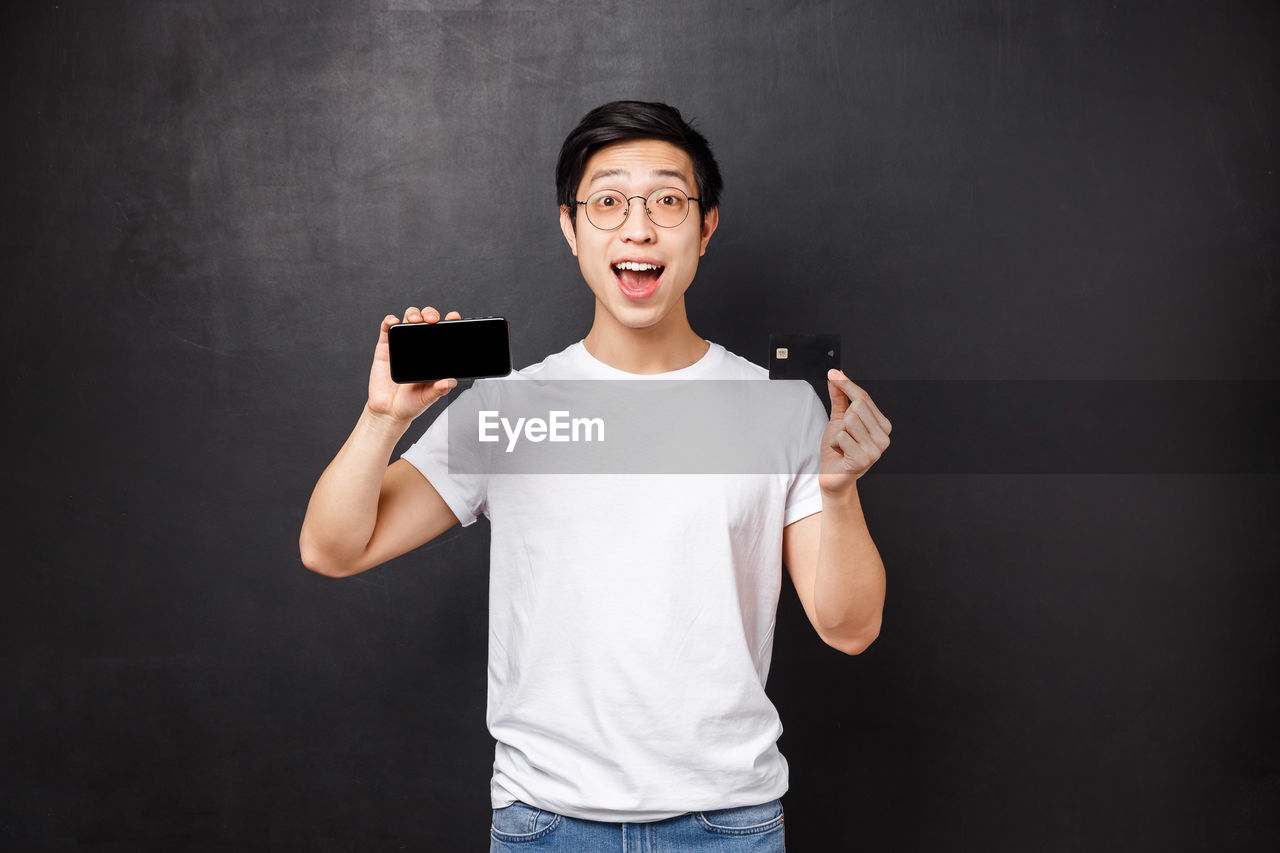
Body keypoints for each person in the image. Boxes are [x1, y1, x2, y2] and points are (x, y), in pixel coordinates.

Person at [299, 100, 890, 851]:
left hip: (727, 824)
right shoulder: (508, 409)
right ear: (570, 228)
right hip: (544, 823)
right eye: (608, 201)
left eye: (668, 201)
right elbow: (333, 547)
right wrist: (384, 417)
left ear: (706, 227)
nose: (637, 227)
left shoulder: (778, 411)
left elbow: (851, 628)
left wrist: (837, 493)